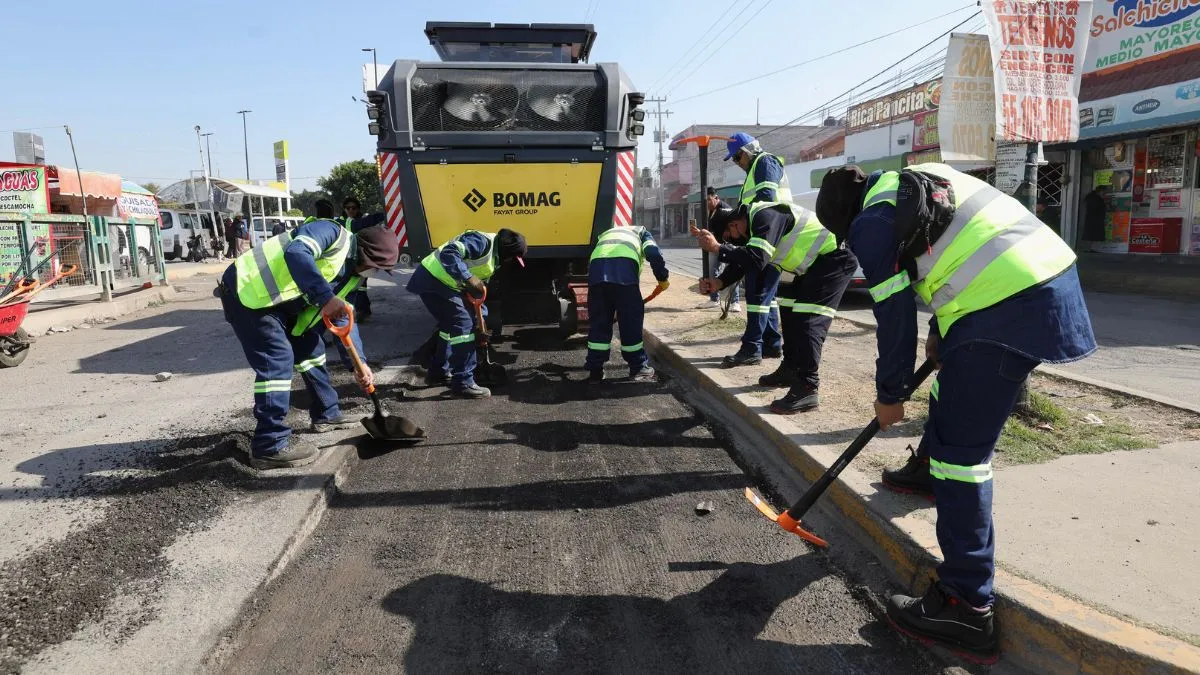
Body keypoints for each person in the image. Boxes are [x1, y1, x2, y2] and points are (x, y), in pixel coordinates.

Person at [815, 163, 1096, 662]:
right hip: (1043, 279)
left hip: (1007, 306)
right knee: (954, 391)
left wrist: (890, 394)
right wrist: (943, 331)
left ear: (845, 220)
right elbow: (961, 248)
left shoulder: (871, 223)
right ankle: (927, 473)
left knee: (962, 460)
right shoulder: (914, 178)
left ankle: (967, 605)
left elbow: (893, 318)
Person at [217, 210, 400, 470]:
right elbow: (296, 253)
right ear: (367, 255)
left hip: (280, 305)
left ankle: (327, 413)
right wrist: (325, 296)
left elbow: (344, 319)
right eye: (378, 267)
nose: (375, 273)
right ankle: (268, 446)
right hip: (248, 292)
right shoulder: (331, 232)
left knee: (311, 349)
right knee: (277, 362)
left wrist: (359, 365)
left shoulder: (351, 276)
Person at [697, 200, 857, 412]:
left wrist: (718, 248)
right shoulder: (752, 227)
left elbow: (756, 258)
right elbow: (743, 260)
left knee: (808, 321)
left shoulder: (765, 215)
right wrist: (719, 283)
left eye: (729, 237)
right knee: (789, 312)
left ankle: (808, 387)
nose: (732, 241)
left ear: (734, 224)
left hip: (834, 260)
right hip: (811, 267)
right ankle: (790, 369)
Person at [407, 228, 527, 399]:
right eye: (512, 257)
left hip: (448, 286)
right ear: (507, 250)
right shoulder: (480, 242)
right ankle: (463, 382)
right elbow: (449, 252)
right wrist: (468, 277)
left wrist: (482, 323)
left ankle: (439, 371)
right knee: (462, 325)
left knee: (452, 326)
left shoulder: (494, 258)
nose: (510, 261)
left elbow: (478, 292)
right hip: (433, 280)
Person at [585, 225, 669, 383]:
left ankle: (595, 369)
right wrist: (662, 278)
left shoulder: (606, 233)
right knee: (630, 322)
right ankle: (638, 367)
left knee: (599, 323)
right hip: (624, 276)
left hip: (596, 276)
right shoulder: (642, 232)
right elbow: (653, 252)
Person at [339, 196, 386, 321]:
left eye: (353, 208)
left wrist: (387, 214)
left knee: (360, 286)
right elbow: (364, 223)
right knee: (354, 286)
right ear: (344, 209)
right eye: (348, 208)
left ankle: (361, 310)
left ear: (358, 209)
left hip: (361, 258)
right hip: (346, 259)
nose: (350, 210)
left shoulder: (360, 220)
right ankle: (360, 310)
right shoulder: (342, 221)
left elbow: (369, 223)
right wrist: (384, 214)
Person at [697, 187, 742, 312]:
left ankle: (735, 302)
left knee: (733, 272)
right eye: (704, 202)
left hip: (727, 247)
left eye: (709, 200)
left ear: (716, 198)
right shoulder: (710, 211)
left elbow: (732, 230)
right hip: (715, 247)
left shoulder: (725, 209)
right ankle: (714, 299)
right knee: (712, 272)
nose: (707, 204)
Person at [724, 131, 792, 207]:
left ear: (748, 150)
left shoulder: (765, 162)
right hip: (768, 217)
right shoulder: (753, 170)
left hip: (777, 217)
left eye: (737, 157)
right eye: (734, 159)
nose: (737, 163)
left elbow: (767, 197)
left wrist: (741, 214)